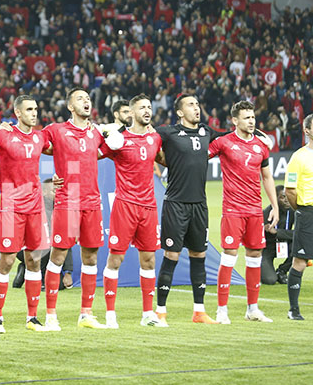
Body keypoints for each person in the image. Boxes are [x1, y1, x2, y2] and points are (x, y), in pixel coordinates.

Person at [36, 87, 124, 330]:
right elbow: (34, 145)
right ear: (70, 107)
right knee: (58, 255)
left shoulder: (97, 133)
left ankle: (86, 314)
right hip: (67, 201)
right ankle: (51, 314)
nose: (86, 101)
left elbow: (114, 146)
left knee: (91, 256)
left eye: (88, 98)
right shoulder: (56, 130)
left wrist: (110, 132)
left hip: (92, 202)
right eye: (80, 99)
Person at [0, 95, 52, 333]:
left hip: (35, 208)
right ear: (18, 113)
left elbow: (59, 149)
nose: (34, 113)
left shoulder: (39, 137)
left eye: (36, 108)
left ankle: (32, 318)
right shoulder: (1, 135)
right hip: (12, 207)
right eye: (29, 109)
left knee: (34, 261)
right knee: (8, 260)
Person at [208, 100, 278, 324]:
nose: (251, 121)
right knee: (229, 255)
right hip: (232, 209)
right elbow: (200, 156)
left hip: (255, 210)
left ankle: (253, 309)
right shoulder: (224, 143)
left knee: (255, 256)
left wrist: (275, 206)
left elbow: (267, 177)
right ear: (234, 120)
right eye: (246, 117)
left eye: (253, 117)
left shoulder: (261, 146)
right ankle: (221, 310)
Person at [154, 94, 220, 324]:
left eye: (197, 104)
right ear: (180, 112)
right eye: (191, 105)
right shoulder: (167, 132)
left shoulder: (206, 132)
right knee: (171, 255)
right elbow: (144, 141)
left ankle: (199, 311)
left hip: (199, 205)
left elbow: (230, 140)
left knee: (199, 255)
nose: (196, 108)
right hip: (176, 204)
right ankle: (160, 310)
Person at [102, 94, 167, 328]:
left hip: (149, 206)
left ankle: (148, 314)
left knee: (149, 260)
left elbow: (166, 159)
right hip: (125, 206)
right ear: (131, 113)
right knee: (115, 259)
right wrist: (105, 133)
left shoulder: (155, 139)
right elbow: (95, 153)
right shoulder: (120, 139)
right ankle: (110, 314)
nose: (147, 111)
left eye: (149, 107)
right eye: (142, 107)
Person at [283, 113, 313, 321]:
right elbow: (290, 189)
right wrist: (299, 210)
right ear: (307, 130)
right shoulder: (298, 157)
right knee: (300, 261)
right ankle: (293, 309)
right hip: (307, 212)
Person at [262, 185, 294, 285]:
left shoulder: (294, 212)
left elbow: (301, 234)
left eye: (288, 197)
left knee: (304, 245)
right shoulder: (265, 213)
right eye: (282, 197)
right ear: (274, 198)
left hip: (286, 245)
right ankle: (261, 268)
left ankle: (282, 271)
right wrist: (263, 230)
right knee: (270, 280)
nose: (286, 200)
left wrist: (277, 232)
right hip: (268, 249)